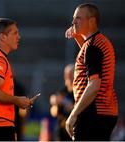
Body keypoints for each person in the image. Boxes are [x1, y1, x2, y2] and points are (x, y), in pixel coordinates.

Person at [65, 3, 118, 141]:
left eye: (78, 18)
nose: (73, 22)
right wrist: (78, 37)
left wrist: (74, 114)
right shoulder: (96, 42)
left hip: (93, 113)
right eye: (73, 18)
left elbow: (94, 85)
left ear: (92, 21)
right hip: (103, 112)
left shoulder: (93, 46)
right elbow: (88, 60)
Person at [49, 64, 74, 141]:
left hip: (73, 131)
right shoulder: (62, 91)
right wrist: (55, 103)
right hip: (61, 131)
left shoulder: (79, 91)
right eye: (66, 74)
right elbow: (54, 111)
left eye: (71, 74)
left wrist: (67, 104)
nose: (68, 77)